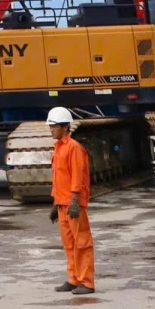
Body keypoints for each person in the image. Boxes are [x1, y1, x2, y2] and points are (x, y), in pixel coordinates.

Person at [47, 106, 94, 296]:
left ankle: (87, 282)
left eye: (54, 126)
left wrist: (75, 200)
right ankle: (74, 279)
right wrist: (55, 202)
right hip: (62, 203)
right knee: (70, 244)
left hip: (73, 204)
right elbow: (59, 178)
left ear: (65, 127)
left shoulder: (74, 148)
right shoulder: (59, 147)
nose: (51, 129)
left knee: (82, 242)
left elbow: (78, 176)